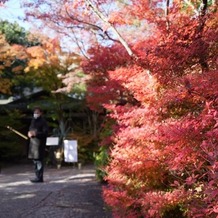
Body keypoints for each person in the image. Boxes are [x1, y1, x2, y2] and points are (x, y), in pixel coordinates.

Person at [28, 107, 48, 183]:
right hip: (33, 144)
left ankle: (40, 178)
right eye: (35, 112)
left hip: (39, 144)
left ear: (41, 113)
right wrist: (29, 133)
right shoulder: (33, 121)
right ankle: (37, 176)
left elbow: (45, 133)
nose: (35, 114)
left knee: (39, 161)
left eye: (37, 112)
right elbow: (30, 129)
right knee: (35, 161)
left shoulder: (43, 122)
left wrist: (36, 133)